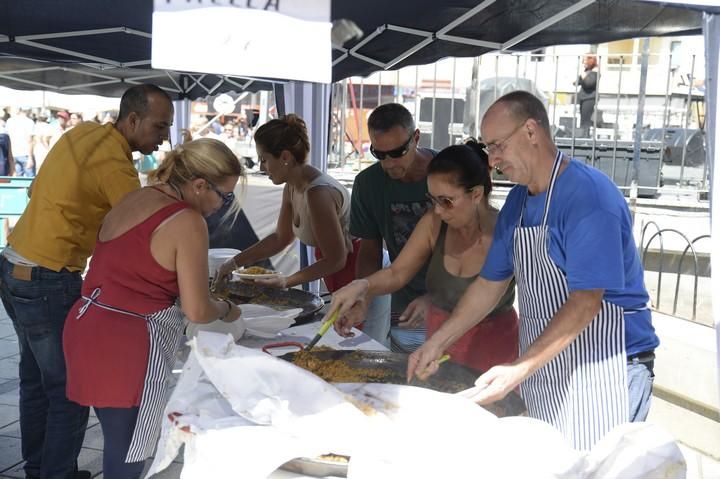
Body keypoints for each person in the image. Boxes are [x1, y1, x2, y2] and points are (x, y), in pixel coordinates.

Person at [409, 91, 659, 451]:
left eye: (497, 146)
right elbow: (487, 287)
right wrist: (436, 342)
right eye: (488, 148)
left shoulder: (588, 198)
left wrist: (517, 368)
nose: (492, 161)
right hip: (548, 362)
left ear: (531, 131)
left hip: (607, 367)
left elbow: (586, 302)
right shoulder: (517, 203)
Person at [0, 84, 174, 479]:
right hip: (46, 277)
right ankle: (56, 474)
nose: (163, 136)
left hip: (13, 265)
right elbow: (142, 227)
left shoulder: (83, 134)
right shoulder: (115, 164)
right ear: (133, 120)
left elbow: (35, 188)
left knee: (36, 382)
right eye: (159, 126)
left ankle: (41, 469)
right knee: (69, 393)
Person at [63, 138, 244, 478]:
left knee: (118, 443)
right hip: (128, 346)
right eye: (224, 195)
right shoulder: (188, 221)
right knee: (128, 455)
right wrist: (227, 308)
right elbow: (197, 310)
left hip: (86, 326)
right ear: (199, 184)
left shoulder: (137, 196)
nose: (222, 205)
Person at [328, 141, 518, 372]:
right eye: (433, 200)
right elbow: (397, 272)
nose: (437, 210)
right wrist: (362, 286)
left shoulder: (506, 233)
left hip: (491, 352)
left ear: (476, 194)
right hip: (437, 347)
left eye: (446, 201)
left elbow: (486, 294)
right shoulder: (434, 222)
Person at [214, 114, 357, 293]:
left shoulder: (317, 194)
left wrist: (286, 281)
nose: (261, 168)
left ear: (285, 157)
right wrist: (233, 263)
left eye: (264, 160)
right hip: (337, 270)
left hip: (360, 270)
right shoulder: (291, 186)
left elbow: (336, 259)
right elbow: (281, 238)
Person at [349, 103, 436, 352]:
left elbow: (473, 250)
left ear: (416, 137)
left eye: (398, 152)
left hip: (456, 301)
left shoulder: (447, 173)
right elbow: (369, 250)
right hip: (404, 302)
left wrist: (435, 298)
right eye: (379, 154)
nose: (388, 163)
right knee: (405, 376)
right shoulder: (367, 184)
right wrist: (363, 298)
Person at [575, 54, 598, 137]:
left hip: (589, 98)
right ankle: (582, 135)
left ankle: (585, 137)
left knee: (586, 120)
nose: (583, 62)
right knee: (582, 119)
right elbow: (577, 82)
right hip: (583, 98)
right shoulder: (586, 71)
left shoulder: (595, 72)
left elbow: (589, 83)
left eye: (585, 60)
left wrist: (583, 74)